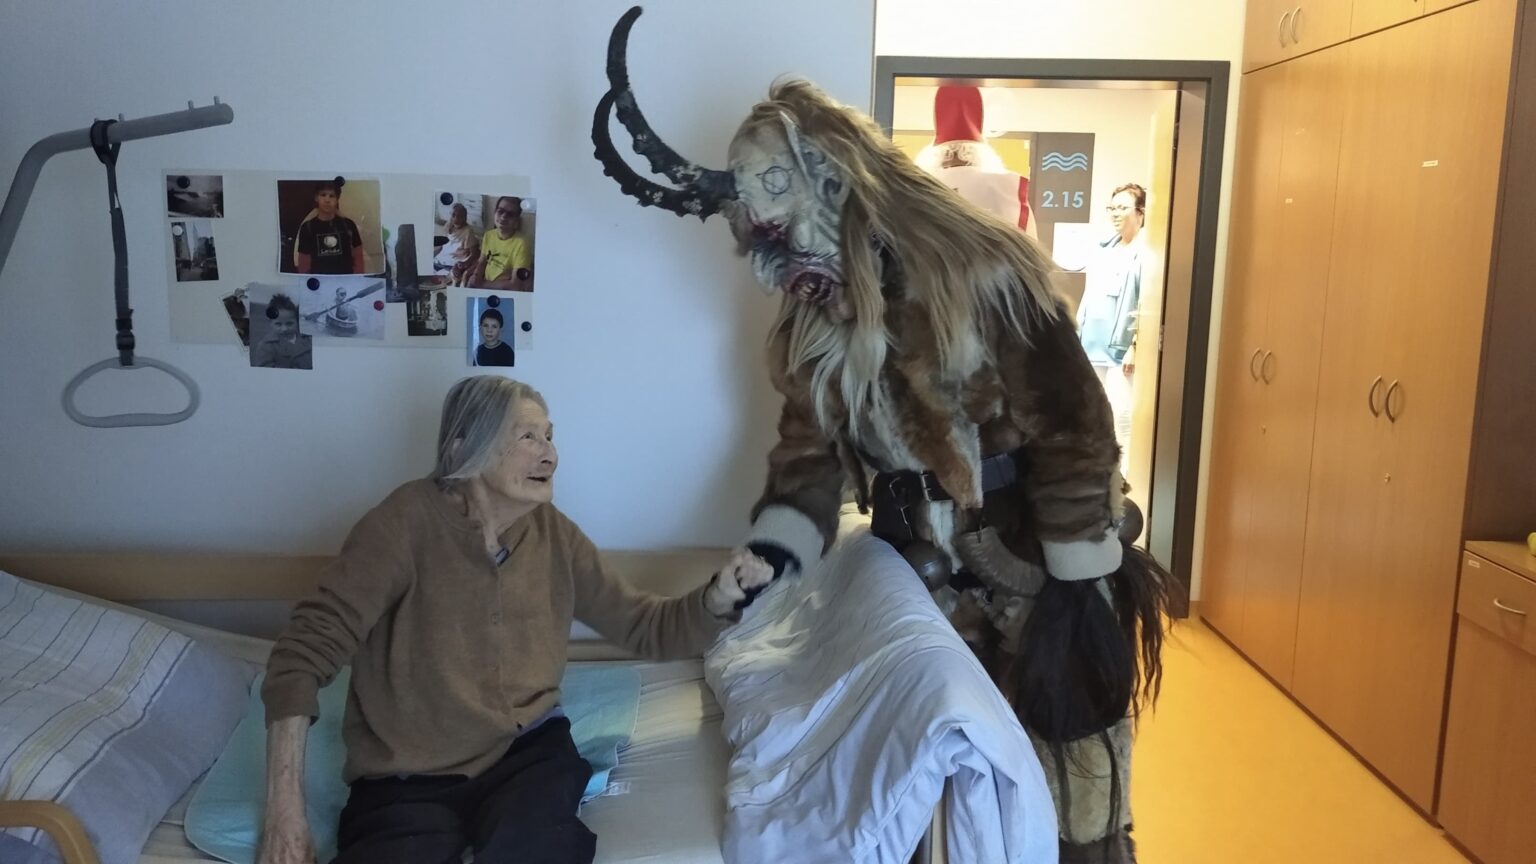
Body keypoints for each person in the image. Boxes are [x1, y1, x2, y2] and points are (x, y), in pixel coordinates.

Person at [590, 12, 1173, 860]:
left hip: (1034, 562)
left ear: (838, 187)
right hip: (920, 576)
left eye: (779, 216)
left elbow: (1076, 425)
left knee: (1072, 777)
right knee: (951, 785)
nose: (772, 258)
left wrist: (1078, 585)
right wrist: (772, 554)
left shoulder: (985, 274)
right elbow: (806, 463)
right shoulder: (810, 330)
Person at [255, 376, 772, 864]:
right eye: (528, 436)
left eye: (550, 436)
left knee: (540, 847)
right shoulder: (402, 525)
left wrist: (717, 599)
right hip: (406, 778)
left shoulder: (553, 534)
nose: (550, 454)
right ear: (464, 449)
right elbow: (301, 657)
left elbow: (643, 625)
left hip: (526, 756)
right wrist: (284, 812)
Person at [913, 84, 1039, 241]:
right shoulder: (1005, 188)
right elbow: (1028, 249)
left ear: (936, 155)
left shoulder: (916, 189)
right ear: (980, 154)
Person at [1078, 183, 1146, 469]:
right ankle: (1099, 469)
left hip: (1119, 348)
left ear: (1140, 212)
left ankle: (1123, 473)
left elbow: (1145, 303)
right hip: (1092, 342)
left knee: (1122, 413)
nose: (1115, 214)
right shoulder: (1103, 248)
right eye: (1112, 208)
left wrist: (1134, 345)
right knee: (1094, 411)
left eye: (1122, 208)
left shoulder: (1146, 252)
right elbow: (1089, 295)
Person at [294, 181, 365, 275]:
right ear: (316, 198)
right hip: (320, 280)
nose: (327, 200)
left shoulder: (348, 225)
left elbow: (358, 257)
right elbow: (304, 262)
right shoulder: (307, 227)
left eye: (332, 196)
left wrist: (358, 279)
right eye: (323, 195)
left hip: (346, 279)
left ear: (337, 200)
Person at [470, 196, 532, 290]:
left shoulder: (522, 243)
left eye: (510, 214)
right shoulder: (488, 235)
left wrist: (482, 285)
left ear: (516, 220)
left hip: (503, 291)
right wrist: (476, 276)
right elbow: (482, 261)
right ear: (495, 213)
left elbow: (516, 285)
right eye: (500, 211)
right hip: (484, 285)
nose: (503, 216)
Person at [250, 293, 313, 369]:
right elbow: (265, 371)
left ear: (297, 321)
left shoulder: (308, 339)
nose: (284, 329)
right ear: (270, 323)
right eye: (278, 324)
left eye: (289, 323)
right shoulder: (266, 346)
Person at [434, 202, 481, 286]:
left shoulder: (468, 231)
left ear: (465, 218)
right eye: (453, 215)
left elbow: (474, 253)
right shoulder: (448, 225)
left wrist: (464, 264)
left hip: (452, 264)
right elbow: (442, 246)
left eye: (460, 216)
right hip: (439, 261)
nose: (456, 219)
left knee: (442, 283)